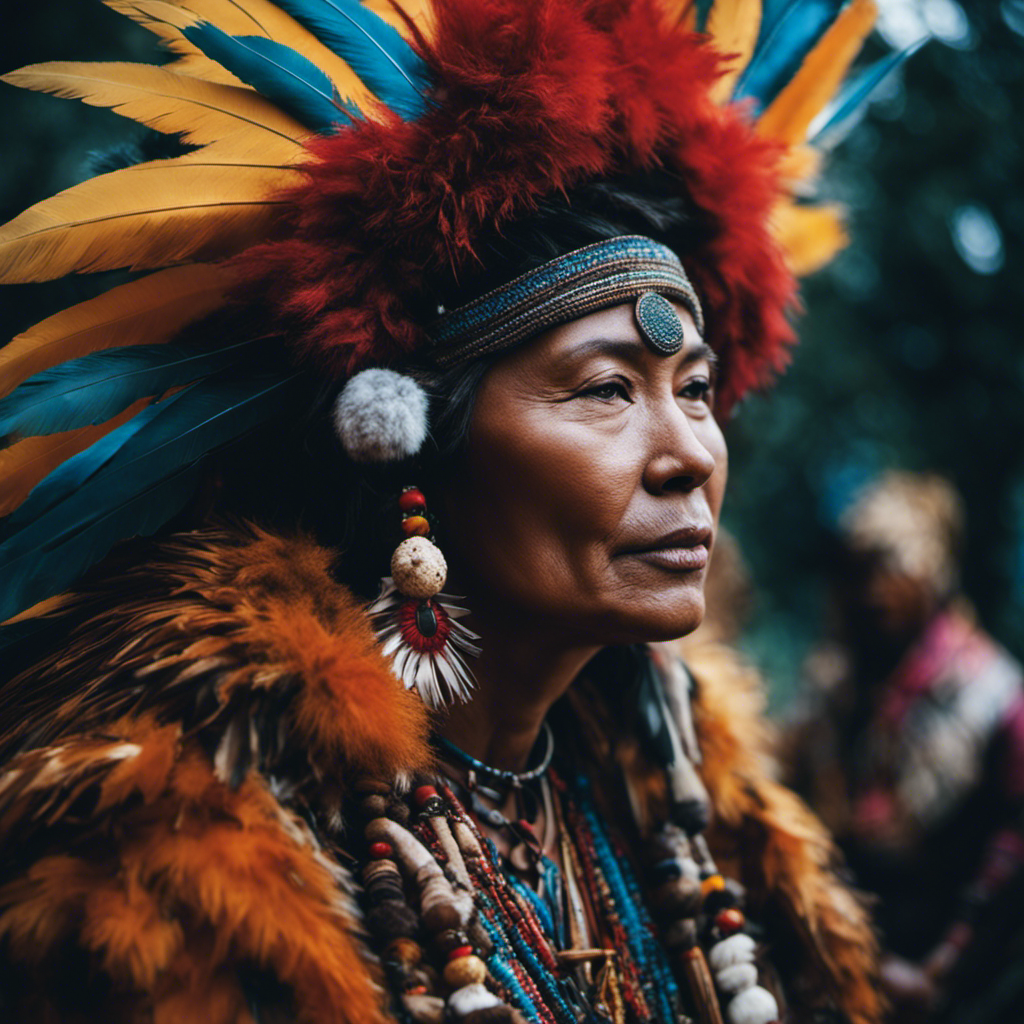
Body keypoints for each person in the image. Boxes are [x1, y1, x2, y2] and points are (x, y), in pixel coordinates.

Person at [0, 1, 890, 1021]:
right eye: (607, 389)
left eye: (693, 389)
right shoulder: (179, 869)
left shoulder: (690, 812)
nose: (690, 452)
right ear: (412, 438)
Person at [785, 471, 1024, 1022]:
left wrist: (944, 969)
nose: (873, 592)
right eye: (857, 571)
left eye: (890, 568)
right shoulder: (832, 686)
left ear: (933, 575)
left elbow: (1012, 853)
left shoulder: (995, 695)